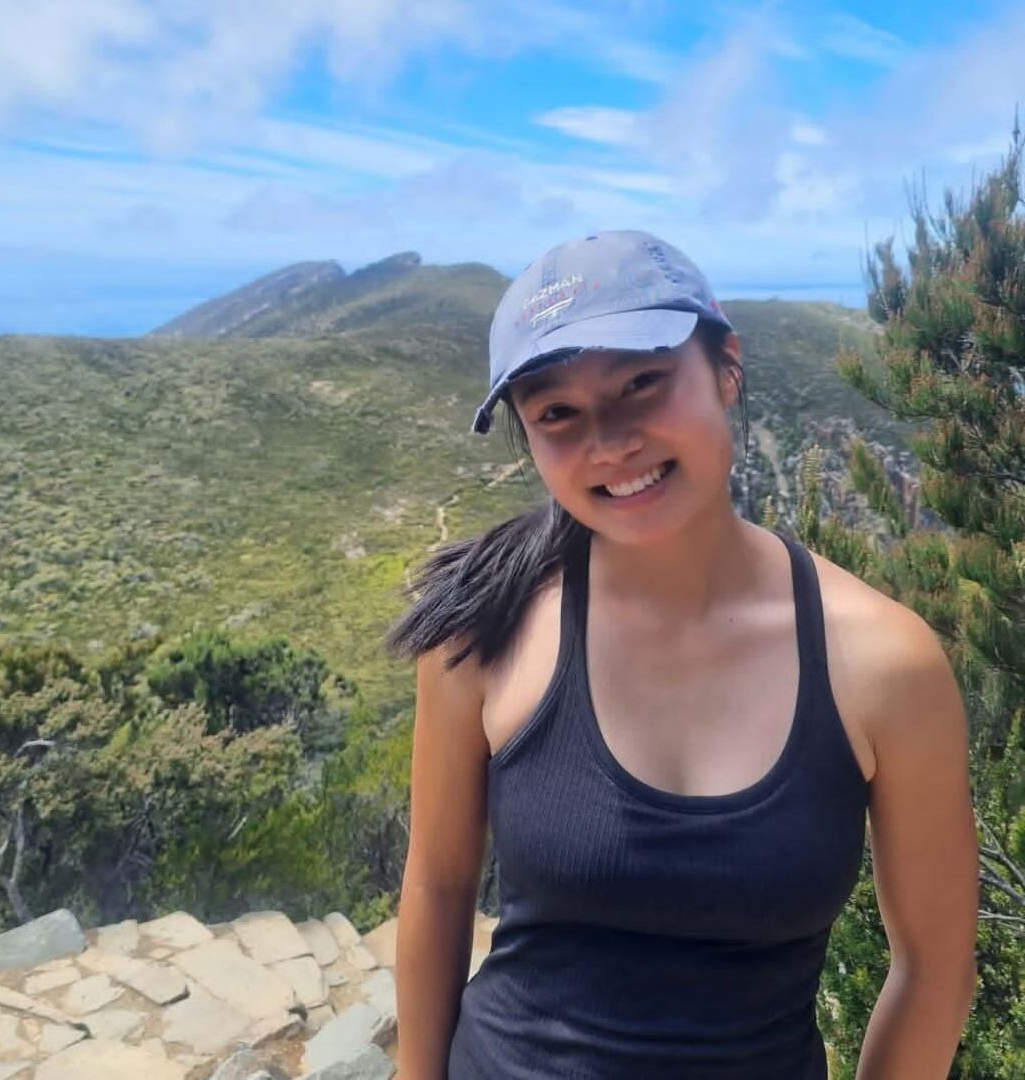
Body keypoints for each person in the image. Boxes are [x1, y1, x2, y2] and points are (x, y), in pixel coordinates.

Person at [387, 231, 978, 1079]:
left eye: (642, 383)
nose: (610, 442)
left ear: (726, 368)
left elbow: (934, 970)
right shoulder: (484, 627)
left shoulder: (885, 664)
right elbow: (438, 889)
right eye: (557, 414)